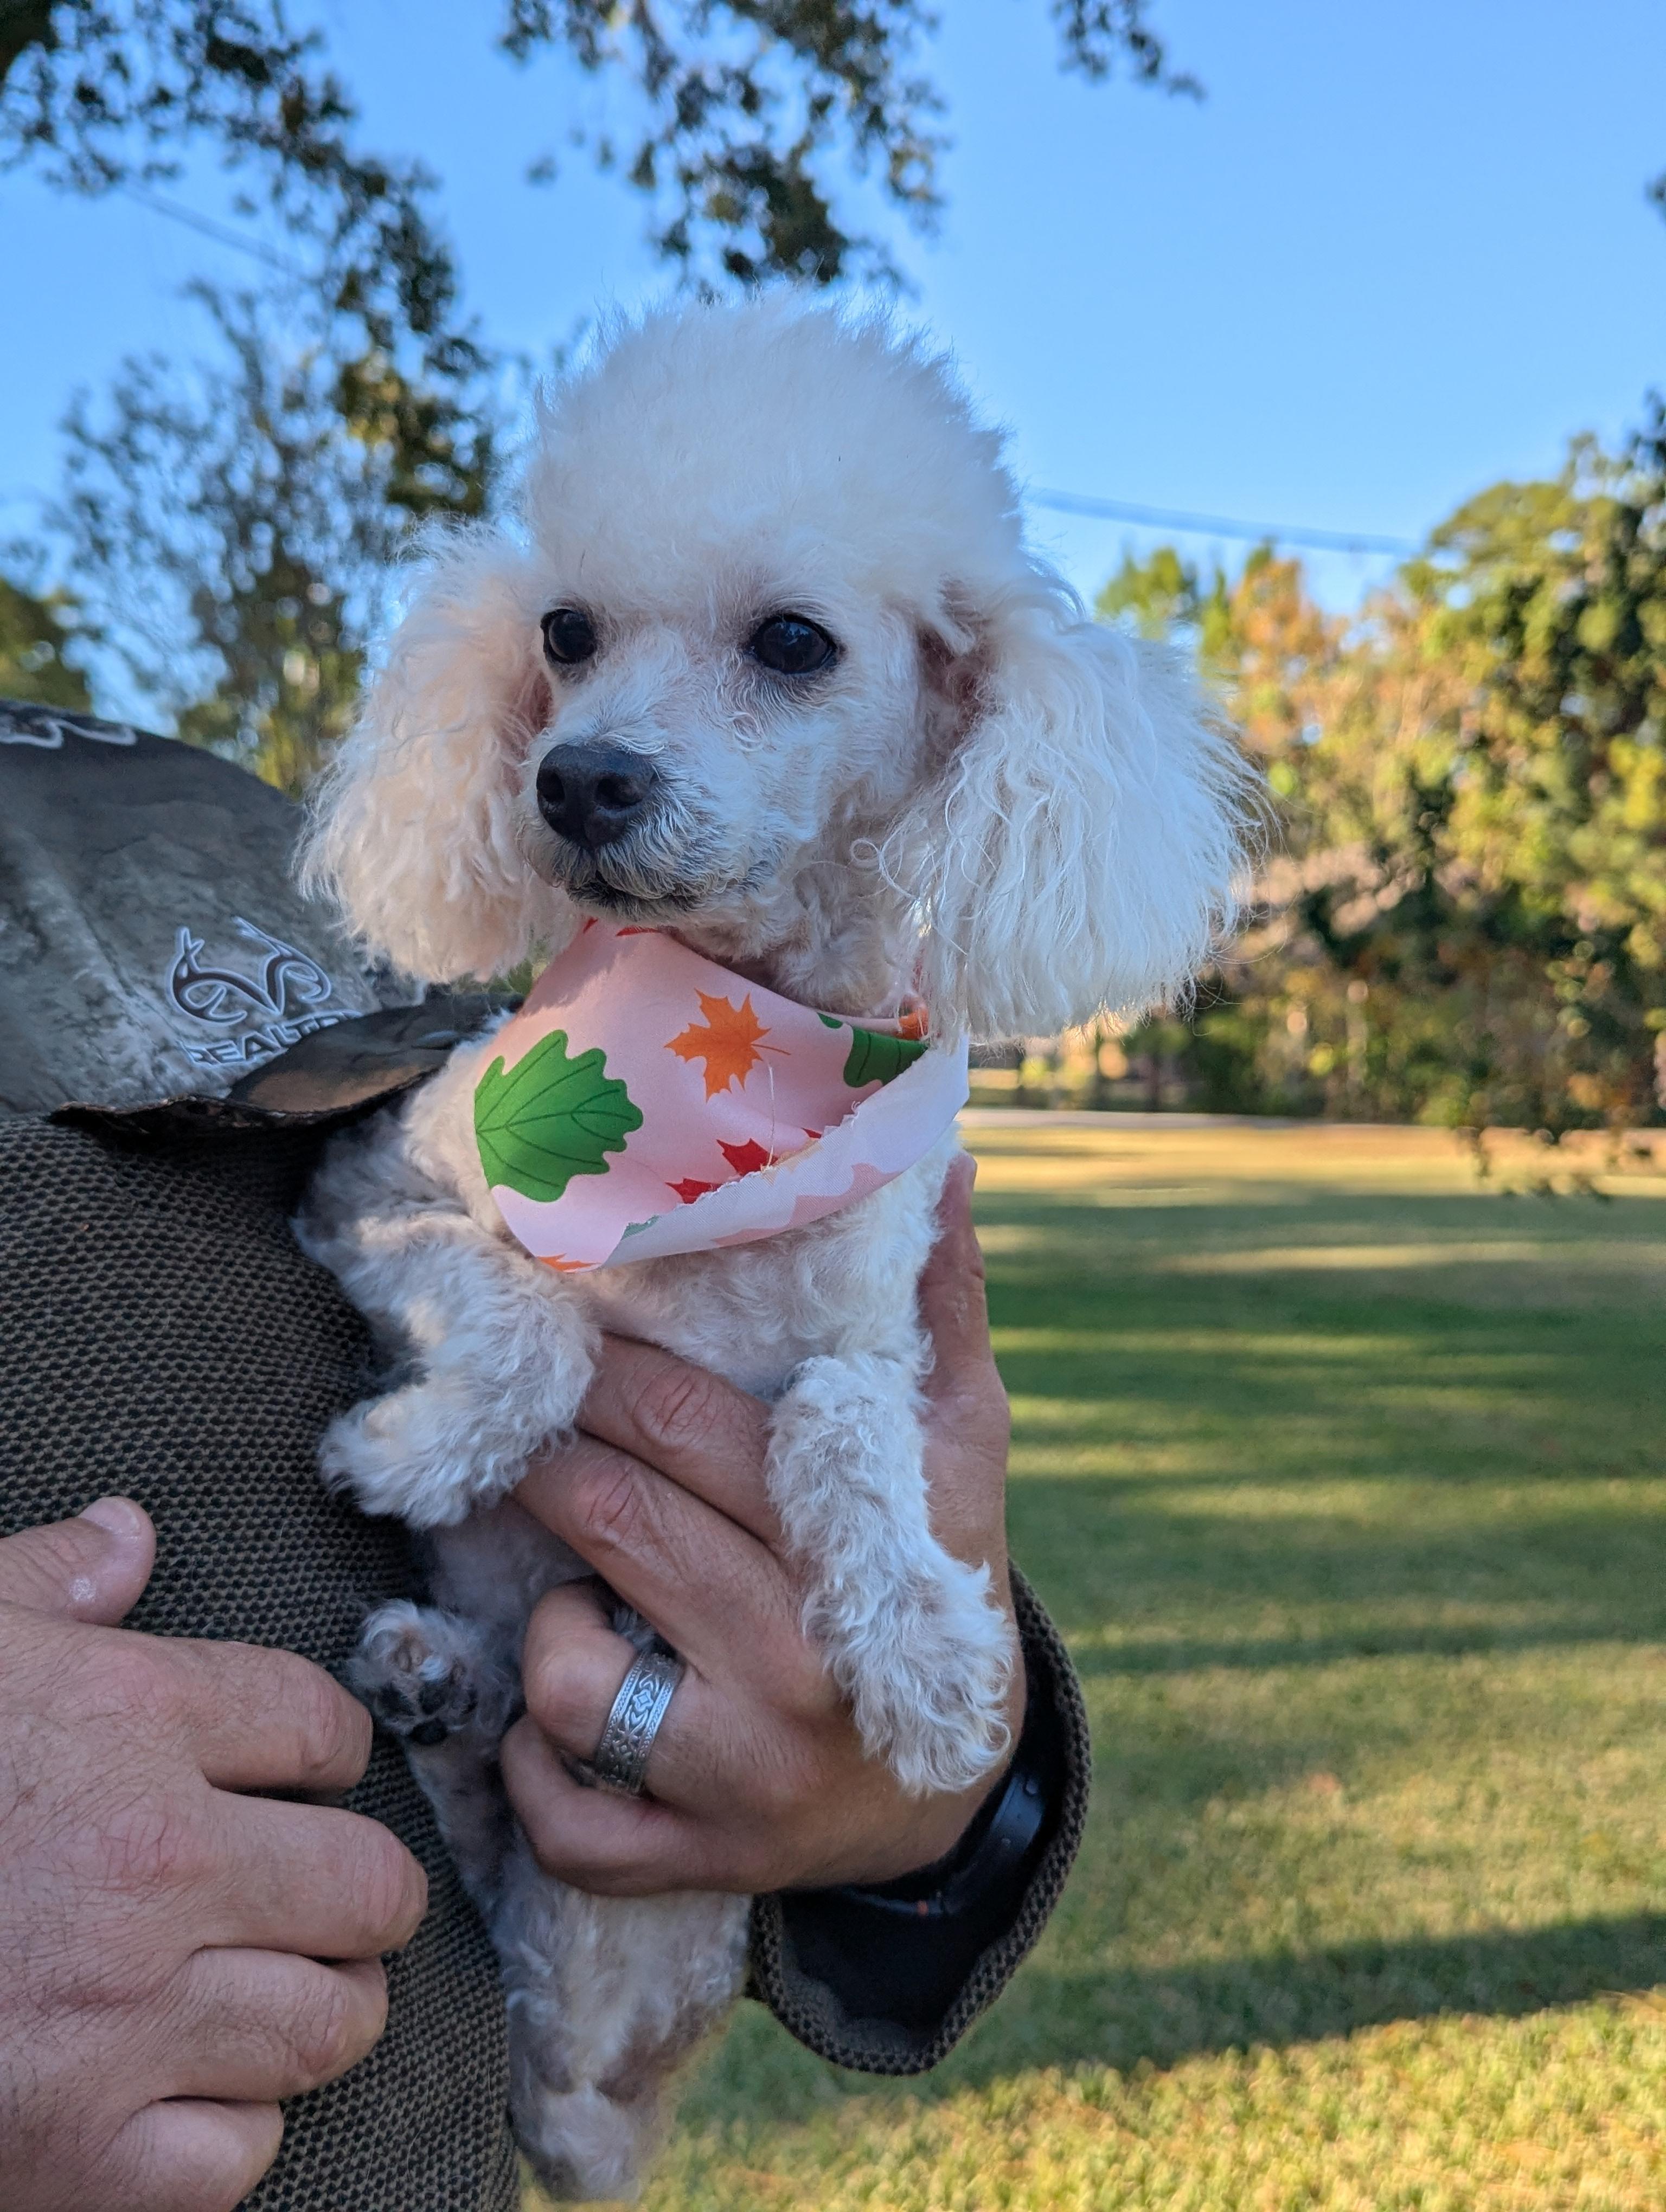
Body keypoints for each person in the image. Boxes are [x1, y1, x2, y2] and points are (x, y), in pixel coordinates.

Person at [0, 701, 1088, 2212]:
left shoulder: (193, 817)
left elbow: (849, 1698)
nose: (596, 734)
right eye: (576, 643)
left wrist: (947, 1795)